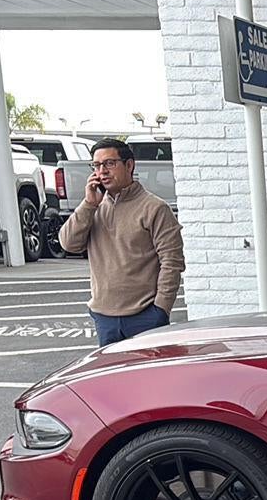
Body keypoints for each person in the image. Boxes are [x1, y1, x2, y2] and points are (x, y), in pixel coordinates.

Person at [59, 138, 184, 346]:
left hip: (145, 316)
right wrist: (89, 204)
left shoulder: (154, 208)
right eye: (97, 165)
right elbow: (68, 244)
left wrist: (161, 309)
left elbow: (172, 261)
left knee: (148, 378)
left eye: (109, 163)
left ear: (129, 165)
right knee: (112, 378)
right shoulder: (93, 207)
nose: (102, 171)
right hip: (104, 317)